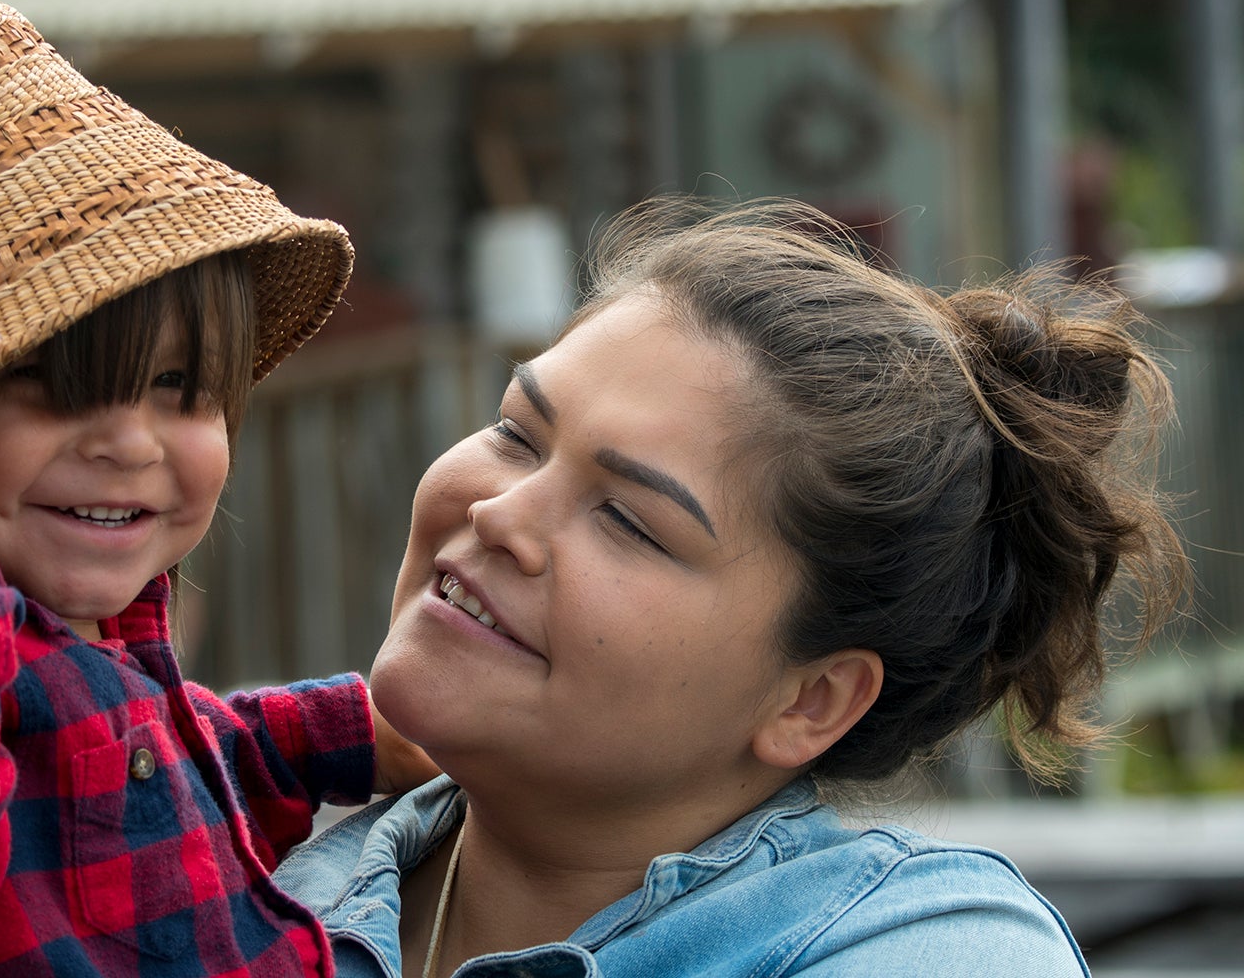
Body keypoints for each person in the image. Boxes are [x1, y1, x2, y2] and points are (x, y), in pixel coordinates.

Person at [272, 197, 1188, 977]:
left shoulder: (926, 950)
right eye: (517, 432)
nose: (502, 515)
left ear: (811, 699)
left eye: (628, 519)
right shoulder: (241, 878)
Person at [0, 0, 433, 977]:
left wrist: (337, 737)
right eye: (60, 392)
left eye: (179, 390)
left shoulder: (89, 646)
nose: (129, 442)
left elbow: (154, 786)